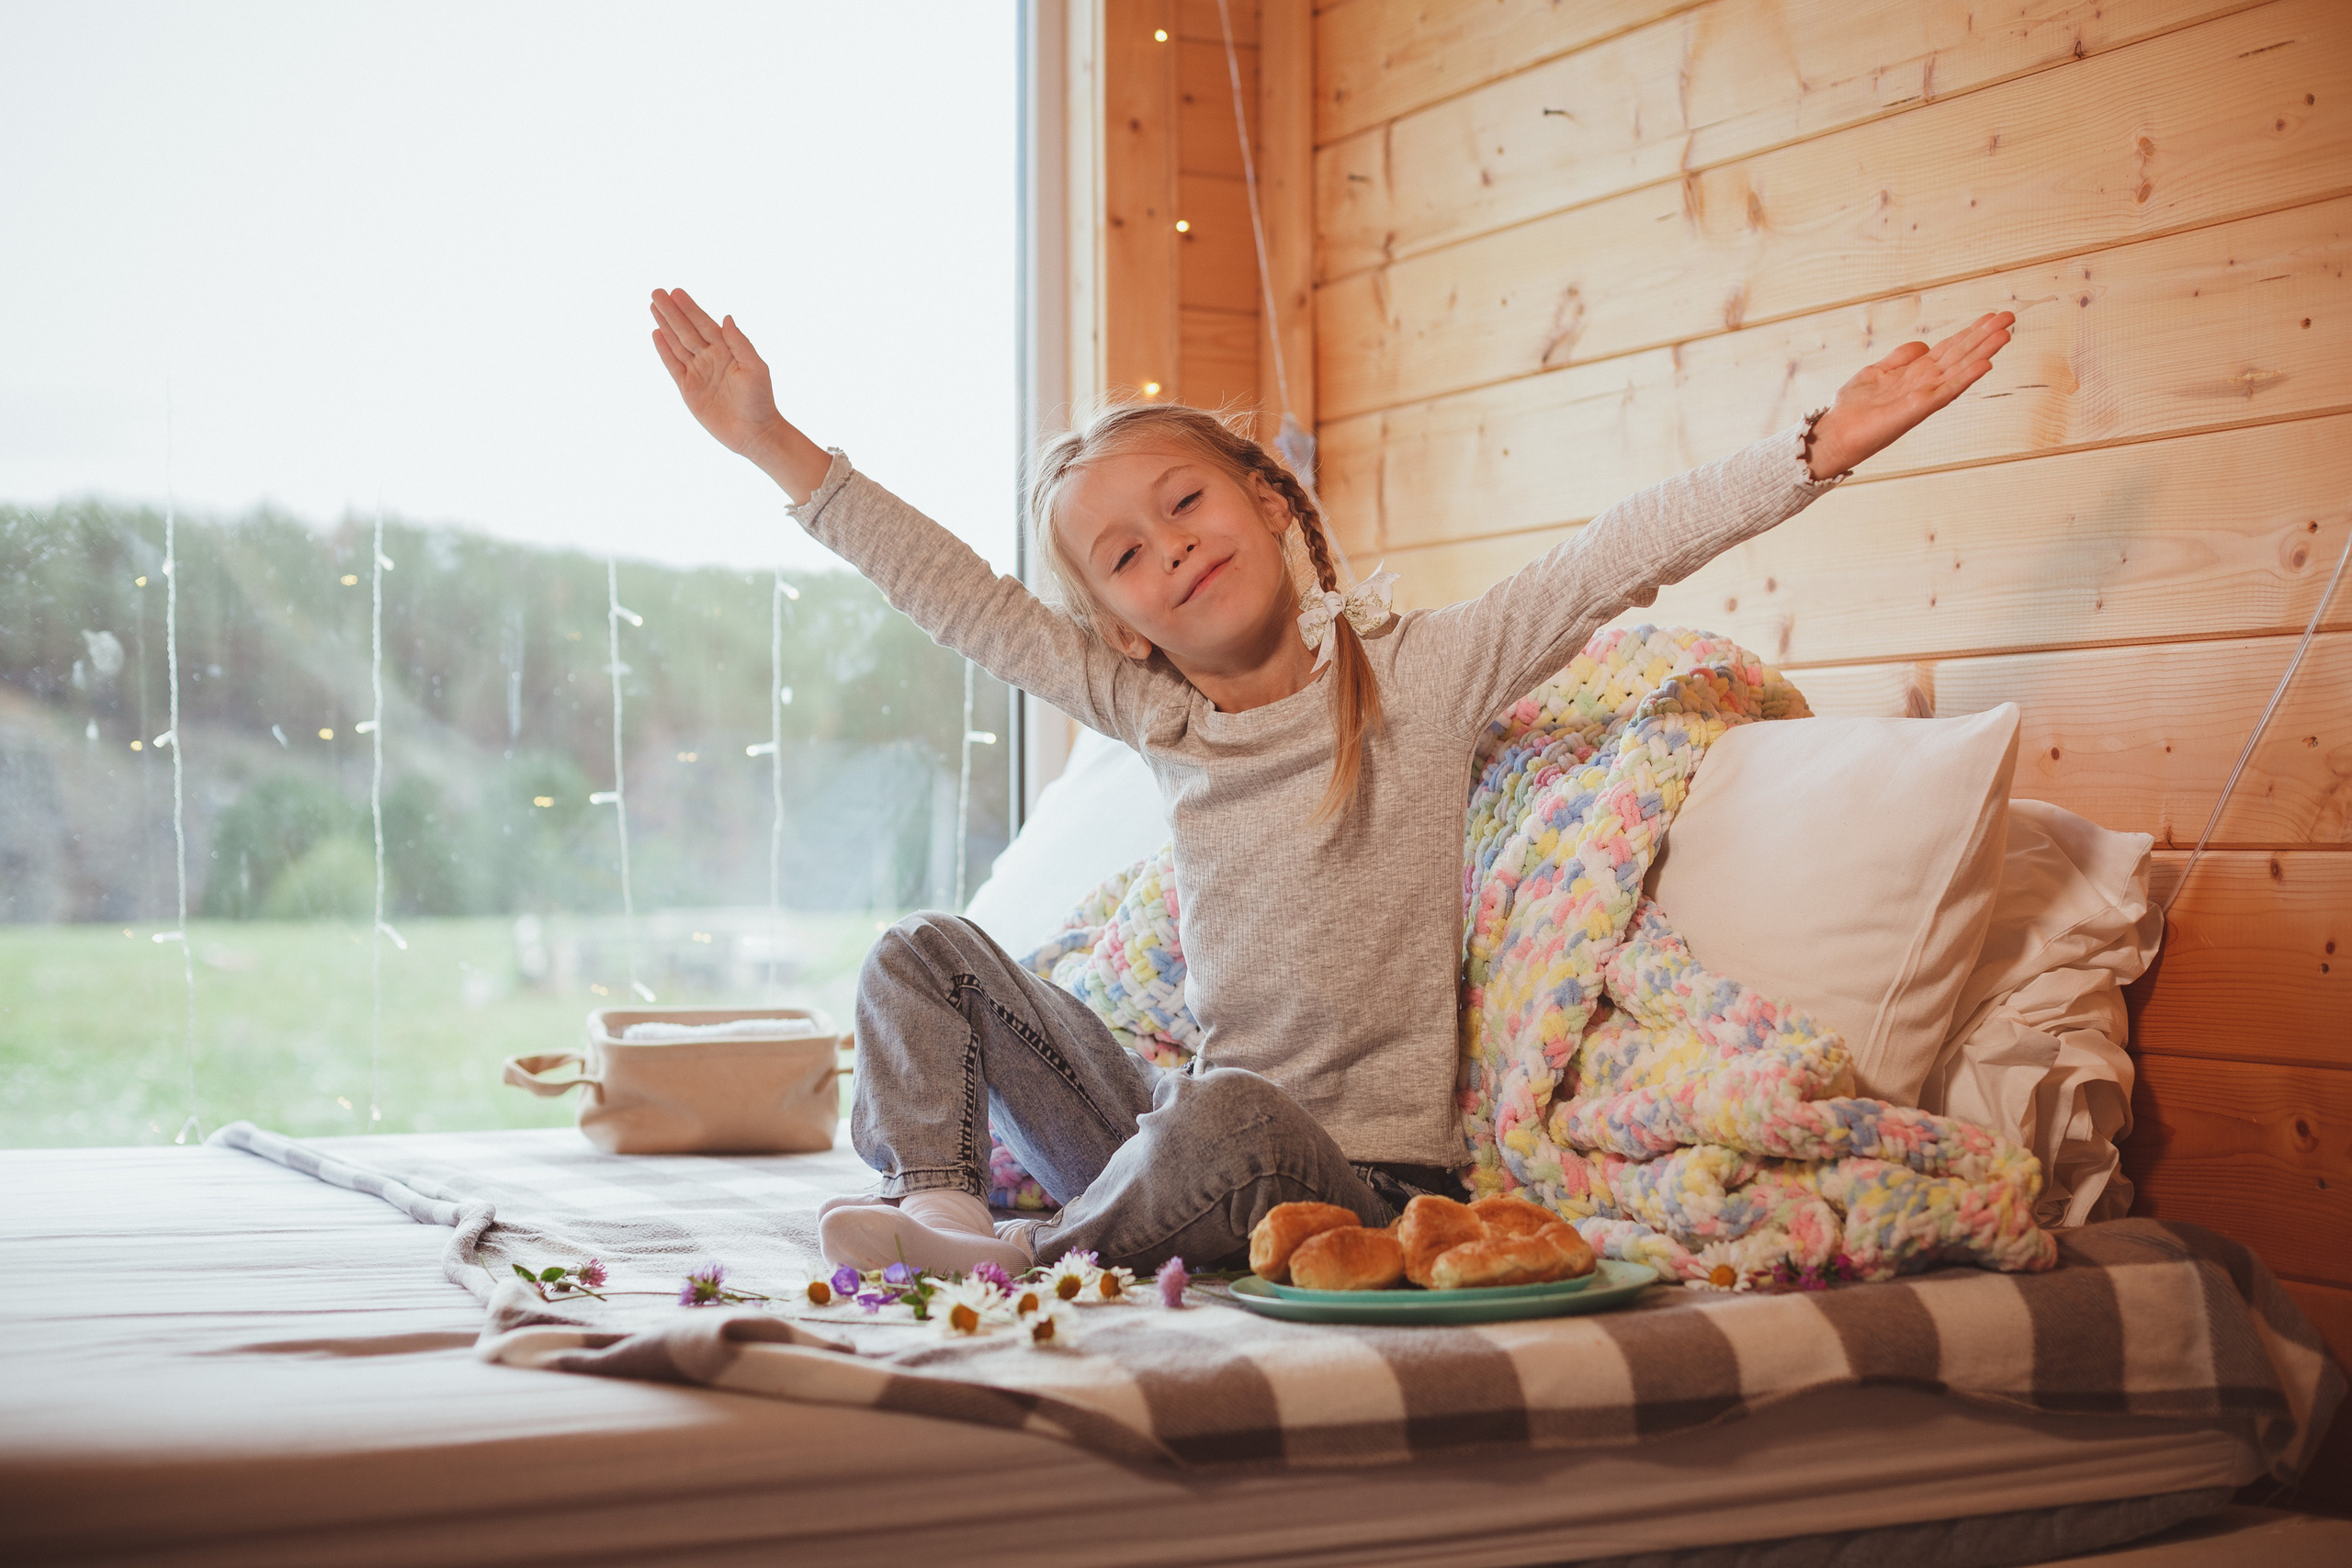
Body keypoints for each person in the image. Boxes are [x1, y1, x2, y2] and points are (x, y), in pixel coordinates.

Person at [650, 287, 2014, 1277]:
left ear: (1266, 499)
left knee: (1226, 1117)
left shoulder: (1426, 676)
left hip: (1349, 1180)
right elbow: (957, 598)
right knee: (921, 952)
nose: (1170, 548)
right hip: (1169, 1140)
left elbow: (1613, 554)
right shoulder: (1158, 719)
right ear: (1121, 630)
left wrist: (1815, 447)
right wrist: (774, 444)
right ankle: (942, 1211)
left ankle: (1036, 1257)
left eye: (1185, 503)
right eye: (1124, 557)